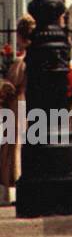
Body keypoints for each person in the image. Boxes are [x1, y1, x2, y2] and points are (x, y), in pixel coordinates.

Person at [0, 17, 34, 206]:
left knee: (13, 146)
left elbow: (11, 85)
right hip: (29, 105)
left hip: (18, 105)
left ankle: (14, 187)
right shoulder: (36, 59)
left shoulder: (21, 62)